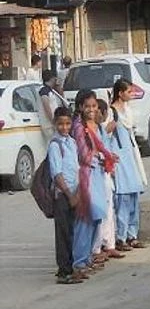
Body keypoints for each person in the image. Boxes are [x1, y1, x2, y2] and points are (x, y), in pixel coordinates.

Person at [71, 91, 117, 277]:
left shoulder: (96, 126)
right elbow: (83, 154)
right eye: (87, 106)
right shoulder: (79, 128)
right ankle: (79, 262)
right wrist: (101, 156)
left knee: (97, 217)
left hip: (98, 175)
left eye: (94, 106)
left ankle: (88, 257)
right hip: (86, 175)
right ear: (81, 107)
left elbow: (103, 147)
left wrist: (108, 156)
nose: (91, 109)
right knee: (85, 219)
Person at [110, 79, 146, 251]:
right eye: (128, 92)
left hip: (130, 155)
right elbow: (107, 134)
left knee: (134, 197)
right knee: (122, 198)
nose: (131, 95)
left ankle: (133, 235)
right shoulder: (112, 112)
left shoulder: (128, 111)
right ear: (120, 93)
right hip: (119, 157)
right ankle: (121, 237)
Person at [48, 106, 84, 284]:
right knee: (63, 234)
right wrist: (70, 195)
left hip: (74, 193)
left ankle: (70, 267)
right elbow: (57, 174)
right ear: (55, 124)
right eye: (60, 124)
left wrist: (77, 193)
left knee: (71, 232)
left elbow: (76, 169)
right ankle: (64, 271)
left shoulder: (71, 142)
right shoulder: (55, 145)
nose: (64, 127)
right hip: (62, 195)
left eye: (67, 123)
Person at [93, 99, 123, 261]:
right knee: (100, 211)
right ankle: (97, 248)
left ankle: (110, 244)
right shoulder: (94, 131)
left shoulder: (102, 131)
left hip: (106, 173)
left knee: (109, 210)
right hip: (97, 173)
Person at [38, 70, 67, 142]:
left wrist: (58, 87)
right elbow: (46, 106)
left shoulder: (51, 90)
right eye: (55, 79)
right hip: (49, 125)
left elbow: (62, 99)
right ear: (52, 78)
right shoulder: (44, 91)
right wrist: (53, 121)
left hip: (53, 124)